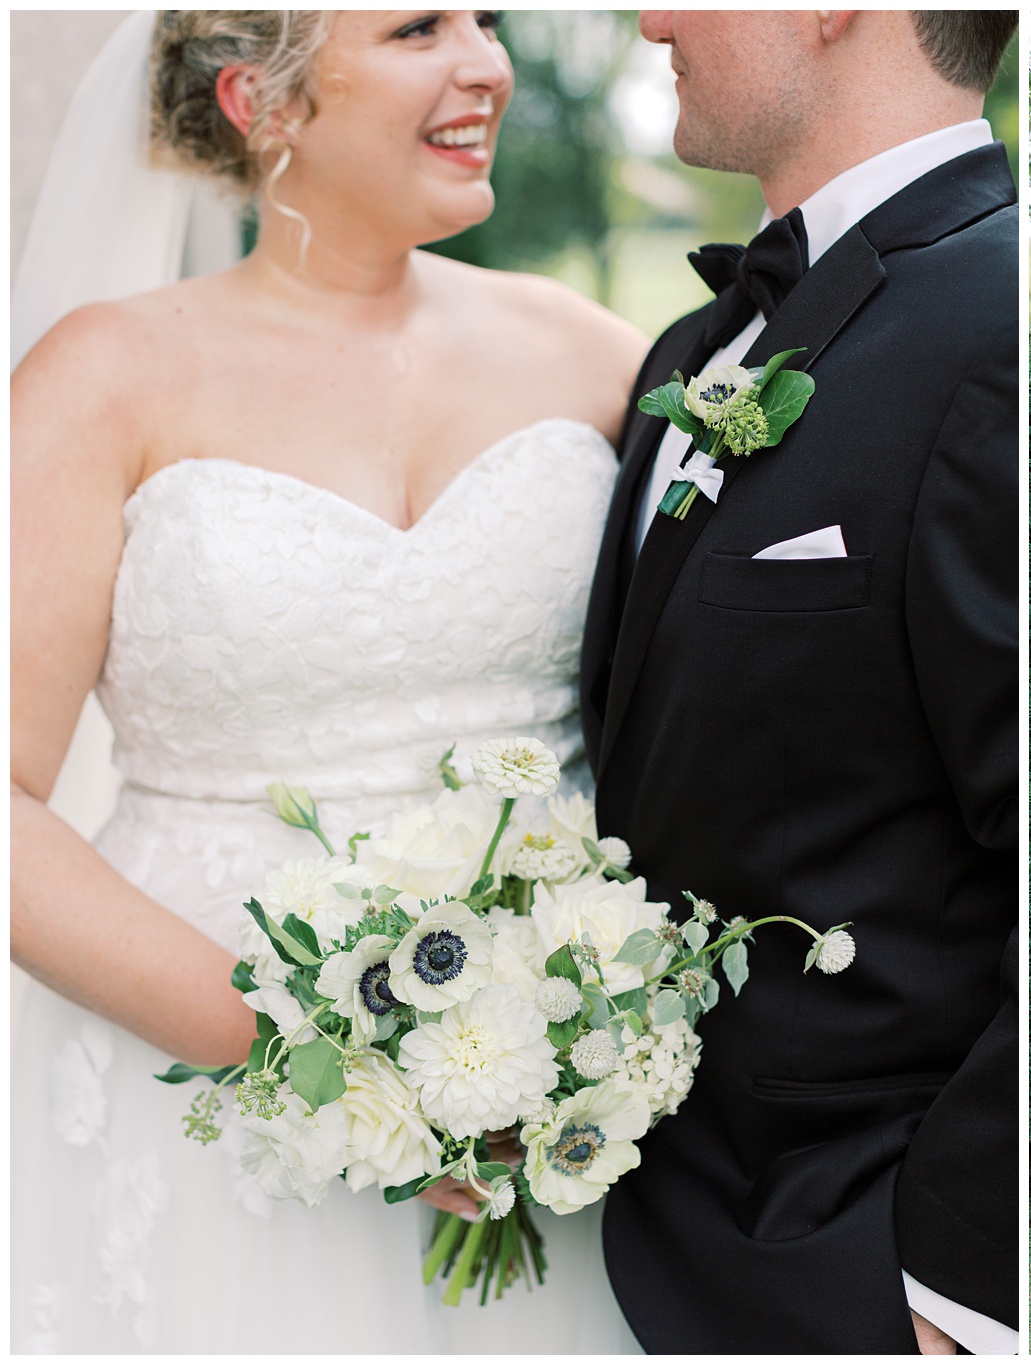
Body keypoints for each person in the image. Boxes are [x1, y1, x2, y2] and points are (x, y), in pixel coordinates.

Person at [11, 10, 647, 1351]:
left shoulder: (596, 357)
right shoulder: (101, 379)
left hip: (553, 1093)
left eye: (482, 21)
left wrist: (579, 1030)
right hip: (204, 1091)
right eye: (420, 27)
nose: (487, 63)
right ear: (263, 101)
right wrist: (320, 1060)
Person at [582, 10, 1019, 1355]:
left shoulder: (1000, 319)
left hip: (851, 1271)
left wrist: (954, 1290)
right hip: (634, 1237)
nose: (652, 18)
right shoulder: (685, 354)